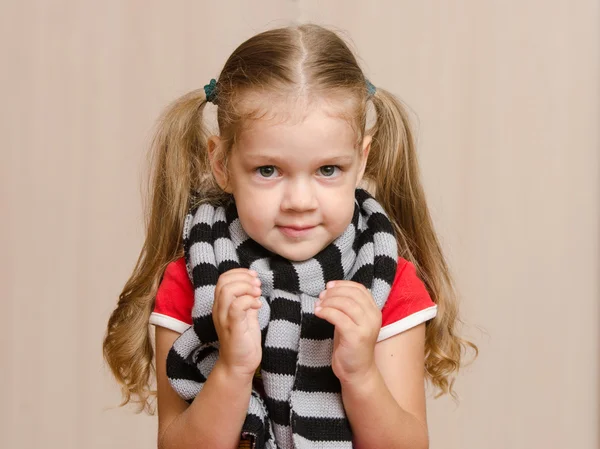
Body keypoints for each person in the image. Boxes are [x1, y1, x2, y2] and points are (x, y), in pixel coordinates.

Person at [103, 23, 476, 449]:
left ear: (361, 161)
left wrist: (361, 375)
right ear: (222, 163)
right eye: (268, 170)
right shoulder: (193, 280)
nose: (300, 200)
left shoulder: (385, 282)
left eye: (327, 170)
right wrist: (233, 369)